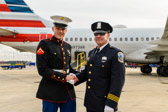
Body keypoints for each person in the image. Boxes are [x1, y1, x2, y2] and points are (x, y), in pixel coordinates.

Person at [75, 21, 125, 112]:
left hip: (104, 104)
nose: (98, 36)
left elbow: (118, 81)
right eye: (96, 34)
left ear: (108, 35)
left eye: (102, 33)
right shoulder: (92, 53)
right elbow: (87, 73)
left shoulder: (115, 54)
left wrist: (111, 104)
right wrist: (75, 78)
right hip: (90, 102)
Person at [36, 15, 78, 112]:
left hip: (68, 91)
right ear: (53, 29)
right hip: (51, 91)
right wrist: (64, 77)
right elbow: (42, 70)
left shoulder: (67, 46)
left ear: (66, 31)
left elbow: (68, 68)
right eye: (58, 28)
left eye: (63, 29)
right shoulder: (44, 44)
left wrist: (77, 75)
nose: (60, 31)